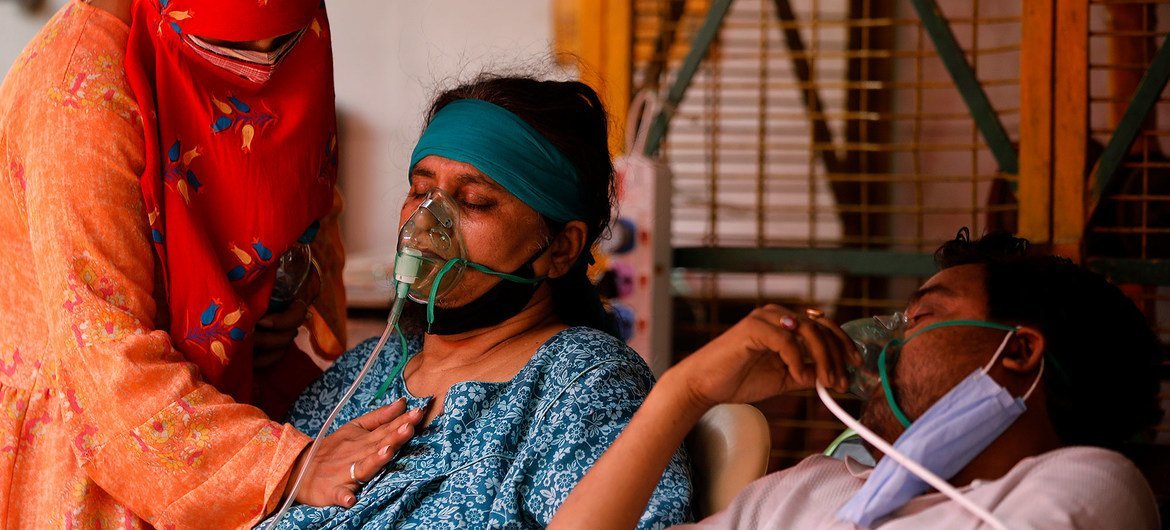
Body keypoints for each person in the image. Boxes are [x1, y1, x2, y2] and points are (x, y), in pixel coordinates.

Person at [0, 0, 422, 527]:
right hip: (127, 440)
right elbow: (104, 362)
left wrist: (290, 279)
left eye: (282, 46)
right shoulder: (78, 101)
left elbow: (281, 190)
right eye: (231, 49)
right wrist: (286, 468)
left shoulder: (298, 36)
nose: (261, 68)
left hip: (233, 400)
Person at [261, 75, 692, 529]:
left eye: (474, 201)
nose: (426, 225)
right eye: (421, 192)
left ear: (561, 248)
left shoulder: (584, 385)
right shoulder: (367, 370)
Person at [550, 229, 1163, 529]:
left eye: (922, 316)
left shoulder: (1089, 488)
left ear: (1019, 352)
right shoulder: (804, 489)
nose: (887, 338)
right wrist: (685, 392)